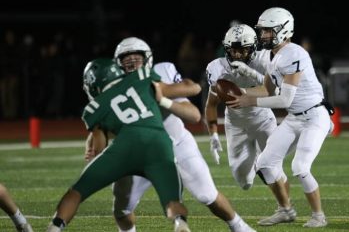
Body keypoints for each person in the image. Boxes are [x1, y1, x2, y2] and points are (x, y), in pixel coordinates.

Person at [106, 37, 256, 232]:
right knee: (122, 209)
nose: (132, 63)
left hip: (177, 144)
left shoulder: (162, 72)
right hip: (139, 155)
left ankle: (239, 227)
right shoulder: (114, 89)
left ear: (148, 59)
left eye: (137, 57)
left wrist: (161, 97)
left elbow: (193, 112)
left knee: (208, 195)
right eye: (126, 59)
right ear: (118, 64)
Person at [47, 58, 193, 232]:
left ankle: (55, 228)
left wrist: (98, 159)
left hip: (125, 147)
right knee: (173, 203)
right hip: (158, 143)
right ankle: (179, 223)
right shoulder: (142, 76)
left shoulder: (93, 109)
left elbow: (99, 148)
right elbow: (189, 88)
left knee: (76, 192)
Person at [227, 7, 332, 228]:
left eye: (267, 31)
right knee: (264, 163)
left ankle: (318, 216)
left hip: (314, 116)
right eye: (262, 31)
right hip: (295, 118)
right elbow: (267, 90)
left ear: (284, 30)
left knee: (300, 167)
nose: (263, 35)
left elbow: (284, 100)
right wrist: (242, 91)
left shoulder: (295, 53)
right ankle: (285, 210)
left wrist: (250, 101)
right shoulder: (269, 55)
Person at [205, 24, 282, 190]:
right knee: (245, 182)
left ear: (253, 47)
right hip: (236, 123)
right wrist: (213, 135)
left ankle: (285, 206)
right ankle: (255, 160)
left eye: (243, 50)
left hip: (262, 117)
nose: (238, 55)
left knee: (273, 168)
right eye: (233, 50)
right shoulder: (217, 68)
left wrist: (250, 73)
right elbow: (211, 104)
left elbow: (275, 90)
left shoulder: (264, 60)